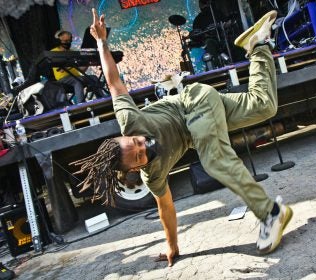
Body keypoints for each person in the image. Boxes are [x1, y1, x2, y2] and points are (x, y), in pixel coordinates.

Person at [73, 9, 293, 267]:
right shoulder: (152, 176)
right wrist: (172, 246)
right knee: (263, 106)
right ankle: (258, 45)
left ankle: (271, 213)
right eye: (140, 155)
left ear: (125, 137)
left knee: (213, 161)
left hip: (193, 104)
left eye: (136, 142)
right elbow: (165, 209)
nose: (143, 144)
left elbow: (113, 81)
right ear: (134, 169)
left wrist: (101, 42)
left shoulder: (129, 120)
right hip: (205, 117)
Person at [51, 30, 104, 104]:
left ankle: (102, 99)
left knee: (93, 78)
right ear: (59, 41)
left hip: (77, 77)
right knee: (77, 81)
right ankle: (81, 104)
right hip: (63, 79)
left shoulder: (72, 52)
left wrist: (88, 62)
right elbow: (61, 70)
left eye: (69, 40)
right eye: (65, 41)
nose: (68, 43)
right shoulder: (54, 52)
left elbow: (81, 70)